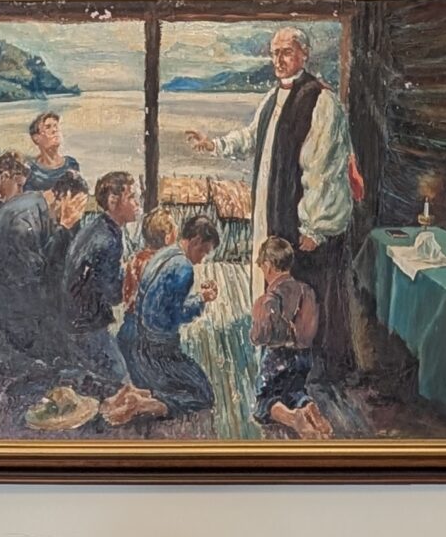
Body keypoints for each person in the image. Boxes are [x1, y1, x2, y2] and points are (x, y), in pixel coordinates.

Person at [185, 27, 358, 380]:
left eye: (286, 52)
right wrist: (214, 145)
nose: (278, 60)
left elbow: (323, 171)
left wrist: (315, 227)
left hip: (301, 223)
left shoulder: (321, 101)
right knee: (278, 288)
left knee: (305, 294)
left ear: (303, 54)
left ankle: (312, 369)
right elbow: (253, 138)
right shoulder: (271, 97)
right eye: (274, 53)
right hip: (271, 210)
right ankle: (275, 349)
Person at [0, 169, 91, 372]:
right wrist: (64, 228)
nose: (78, 216)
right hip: (8, 316)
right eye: (77, 206)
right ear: (64, 196)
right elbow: (40, 279)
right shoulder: (22, 220)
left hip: (19, 308)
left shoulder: (37, 207)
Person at [118, 212, 219, 416]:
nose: (201, 260)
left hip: (139, 343)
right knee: (203, 395)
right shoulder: (183, 268)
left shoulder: (164, 254)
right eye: (204, 251)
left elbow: (162, 306)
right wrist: (202, 299)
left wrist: (198, 297)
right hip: (158, 352)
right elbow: (173, 316)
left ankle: (143, 394)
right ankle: (146, 404)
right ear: (196, 241)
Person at [63, 170, 141, 393]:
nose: (137, 203)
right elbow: (113, 294)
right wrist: (131, 279)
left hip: (76, 320)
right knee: (121, 384)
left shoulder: (98, 227)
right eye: (132, 197)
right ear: (113, 201)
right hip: (86, 326)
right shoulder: (108, 240)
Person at [248, 233, 326, 436]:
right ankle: (308, 407)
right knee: (294, 391)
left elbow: (258, 338)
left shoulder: (267, 300)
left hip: (278, 359)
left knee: (265, 401)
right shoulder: (307, 290)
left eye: (262, 267)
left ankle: (294, 419)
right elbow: (310, 331)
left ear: (268, 265)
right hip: (304, 357)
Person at [20, 108, 81, 190]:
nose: (55, 130)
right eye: (48, 127)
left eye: (56, 126)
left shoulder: (71, 164)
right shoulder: (30, 169)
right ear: (36, 138)